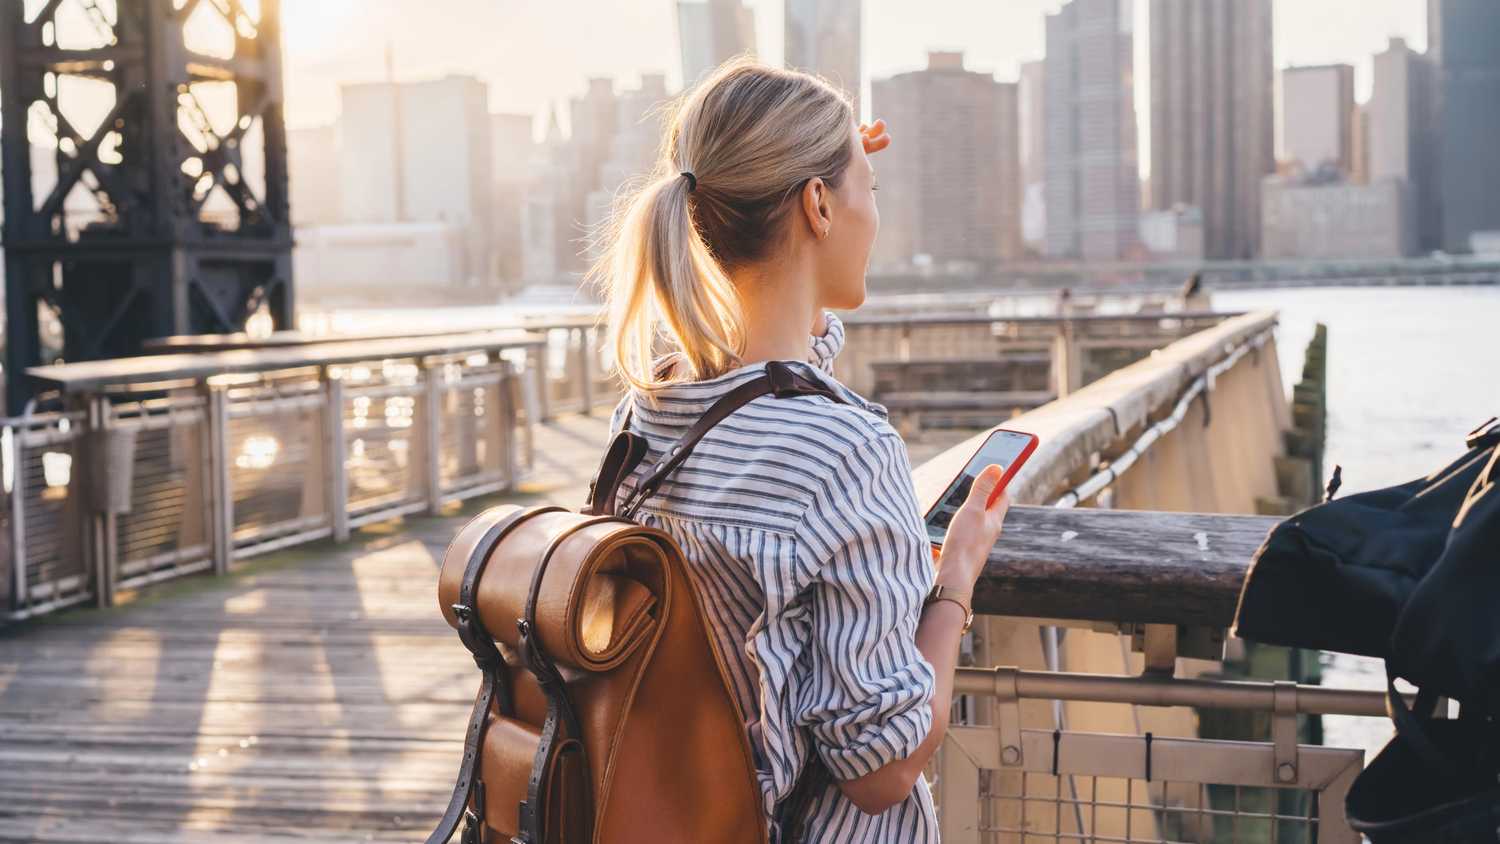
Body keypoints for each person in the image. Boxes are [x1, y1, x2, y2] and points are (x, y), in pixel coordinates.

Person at [588, 58, 1012, 842]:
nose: (875, 218)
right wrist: (954, 581)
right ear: (818, 204)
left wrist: (828, 153)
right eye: (869, 193)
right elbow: (882, 771)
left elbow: (766, 380)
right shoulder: (846, 450)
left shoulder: (646, 410)